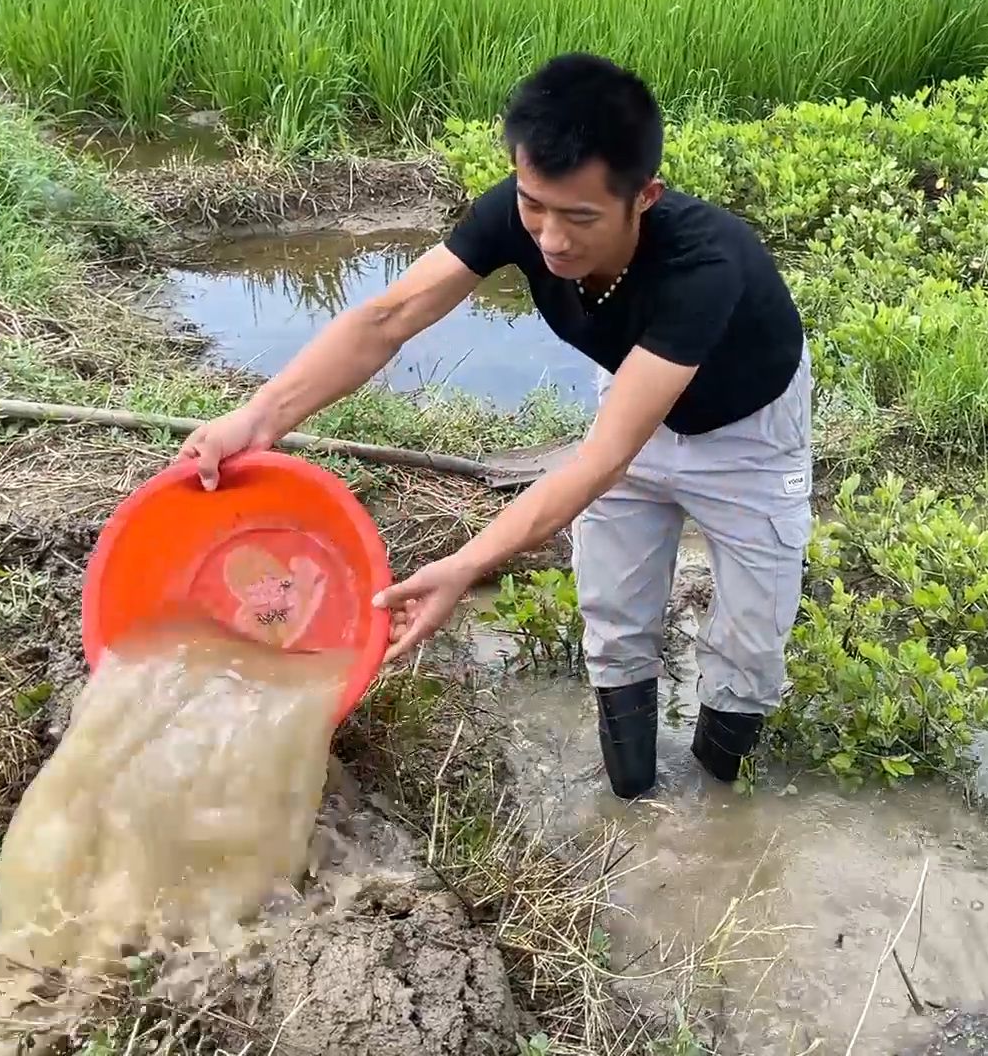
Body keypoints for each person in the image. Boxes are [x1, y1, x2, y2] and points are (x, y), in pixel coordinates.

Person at [178, 53, 811, 799]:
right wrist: (256, 417)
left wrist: (465, 564)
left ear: (645, 197)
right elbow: (387, 319)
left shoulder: (704, 266)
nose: (550, 239)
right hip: (633, 397)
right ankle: (634, 801)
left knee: (750, 643)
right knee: (613, 615)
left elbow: (603, 458)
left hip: (745, 437)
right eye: (535, 205)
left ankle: (716, 795)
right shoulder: (518, 212)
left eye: (580, 218)